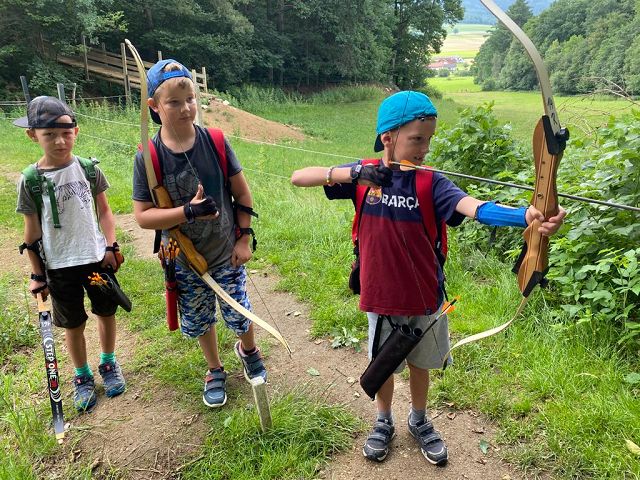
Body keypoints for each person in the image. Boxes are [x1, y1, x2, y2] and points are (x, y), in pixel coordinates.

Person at [290, 91, 566, 466]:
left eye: (429, 139)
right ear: (388, 137)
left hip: (423, 297)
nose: (425, 148)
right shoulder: (364, 176)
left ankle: (418, 418)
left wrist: (526, 216)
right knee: (383, 364)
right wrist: (351, 173)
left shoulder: (431, 183)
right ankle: (383, 421)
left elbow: (475, 208)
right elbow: (298, 177)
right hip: (381, 295)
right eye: (417, 139)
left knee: (420, 364)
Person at [132, 59, 265, 408]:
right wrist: (188, 211)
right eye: (174, 102)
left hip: (225, 251)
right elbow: (143, 216)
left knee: (239, 311)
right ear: (154, 106)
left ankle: (248, 350)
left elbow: (243, 194)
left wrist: (244, 238)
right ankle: (214, 368)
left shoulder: (216, 141)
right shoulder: (148, 157)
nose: (185, 108)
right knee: (200, 317)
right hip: (183, 258)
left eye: (190, 99)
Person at [15, 96, 127, 413]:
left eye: (66, 133)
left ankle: (108, 362)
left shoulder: (89, 170)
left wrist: (111, 245)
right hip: (59, 265)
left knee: (106, 311)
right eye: (49, 134)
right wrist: (37, 274)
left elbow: (105, 212)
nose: (60, 141)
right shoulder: (31, 180)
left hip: (95, 259)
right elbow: (31, 233)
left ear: (76, 131)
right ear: (33, 135)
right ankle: (82, 375)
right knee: (73, 323)